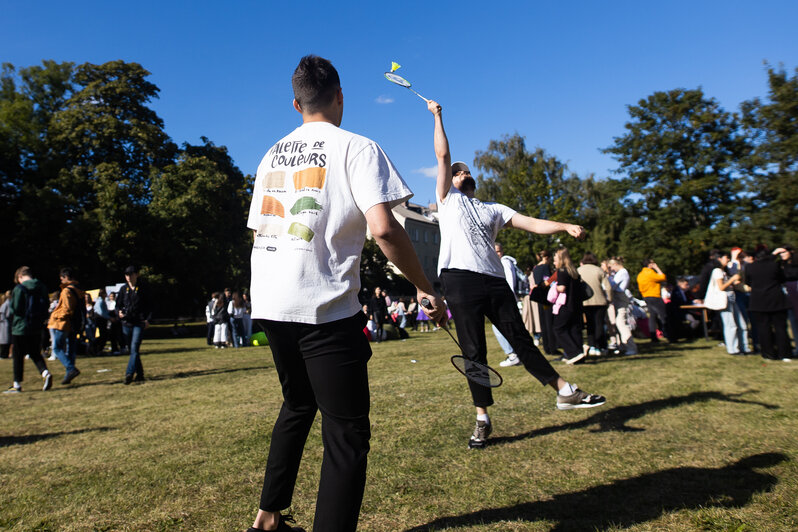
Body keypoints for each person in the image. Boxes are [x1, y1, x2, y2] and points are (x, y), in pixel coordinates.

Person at [245, 55, 446, 532]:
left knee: (297, 404)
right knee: (346, 433)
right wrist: (424, 286)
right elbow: (385, 229)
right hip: (323, 306)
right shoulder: (357, 147)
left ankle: (267, 519)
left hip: (271, 301)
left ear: (296, 103)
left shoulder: (270, 153)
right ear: (339, 96)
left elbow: (259, 231)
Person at [427, 98, 606, 451]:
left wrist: (564, 226)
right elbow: (443, 157)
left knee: (521, 340)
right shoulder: (447, 199)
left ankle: (564, 392)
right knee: (473, 351)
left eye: (464, 171)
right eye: (457, 171)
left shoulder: (494, 209)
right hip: (459, 279)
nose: (460, 173)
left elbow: (532, 224)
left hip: (493, 281)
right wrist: (438, 117)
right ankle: (482, 418)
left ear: (473, 179)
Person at [4, 266, 52, 393]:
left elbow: (15, 308)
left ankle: (17, 384)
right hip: (36, 326)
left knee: (18, 355)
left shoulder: (19, 289)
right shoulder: (41, 287)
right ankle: (45, 372)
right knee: (35, 352)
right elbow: (46, 304)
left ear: (20, 277)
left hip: (20, 326)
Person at [745, 246, 796, 361]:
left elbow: (748, 282)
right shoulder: (774, 265)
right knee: (781, 327)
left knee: (763, 328)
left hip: (759, 300)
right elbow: (782, 278)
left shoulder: (750, 267)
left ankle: (768, 353)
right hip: (776, 299)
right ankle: (785, 353)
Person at [705, 250, 748, 355]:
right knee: (730, 325)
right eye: (726, 257)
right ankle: (733, 349)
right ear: (719, 259)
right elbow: (721, 287)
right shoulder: (717, 271)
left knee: (741, 324)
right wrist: (732, 279)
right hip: (725, 300)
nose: (727, 259)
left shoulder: (723, 271)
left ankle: (744, 347)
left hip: (731, 299)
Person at [47, 267, 83, 385]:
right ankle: (69, 373)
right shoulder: (78, 289)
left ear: (66, 277)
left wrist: (57, 316)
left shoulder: (67, 291)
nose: (61, 280)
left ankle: (70, 368)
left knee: (57, 347)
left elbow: (67, 309)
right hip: (74, 323)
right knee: (71, 348)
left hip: (65, 322)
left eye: (62, 278)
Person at [117, 266, 152, 384]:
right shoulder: (123, 289)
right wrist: (119, 313)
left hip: (139, 322)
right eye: (127, 275)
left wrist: (147, 320)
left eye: (131, 275)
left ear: (137, 275)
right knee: (132, 350)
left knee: (134, 347)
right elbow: (118, 305)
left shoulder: (143, 289)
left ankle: (129, 373)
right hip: (126, 323)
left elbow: (150, 305)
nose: (129, 277)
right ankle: (140, 374)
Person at [492, 243, 523, 367]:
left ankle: (512, 355)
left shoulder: (504, 263)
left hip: (506, 301)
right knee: (511, 328)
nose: (497, 254)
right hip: (507, 301)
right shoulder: (500, 263)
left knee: (499, 327)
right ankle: (517, 354)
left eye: (498, 251)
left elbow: (510, 283)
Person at [578, 252, 610, 356]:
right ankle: (600, 346)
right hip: (600, 300)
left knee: (590, 325)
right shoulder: (599, 270)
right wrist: (609, 298)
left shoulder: (579, 270)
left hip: (585, 301)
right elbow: (608, 287)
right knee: (599, 324)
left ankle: (592, 345)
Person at [608, 257, 638, 355]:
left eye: (611, 267)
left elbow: (612, 285)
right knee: (619, 323)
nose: (611, 269)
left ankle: (631, 347)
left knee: (621, 323)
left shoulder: (622, 273)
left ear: (615, 264)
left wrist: (608, 276)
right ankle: (624, 346)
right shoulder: (621, 273)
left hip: (621, 298)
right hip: (619, 299)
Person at [532, 250, 558, 356]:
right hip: (546, 297)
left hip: (539, 297)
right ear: (547, 258)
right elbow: (548, 281)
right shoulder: (545, 267)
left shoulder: (535, 268)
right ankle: (552, 347)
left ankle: (546, 346)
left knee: (543, 322)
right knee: (549, 322)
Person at [637, 258, 668, 342]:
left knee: (652, 316)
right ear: (650, 265)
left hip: (646, 296)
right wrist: (657, 268)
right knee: (663, 315)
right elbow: (663, 277)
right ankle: (667, 333)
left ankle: (653, 335)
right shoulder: (650, 273)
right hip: (655, 295)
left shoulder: (640, 274)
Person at [93, 289, 110, 355]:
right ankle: (97, 348)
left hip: (102, 319)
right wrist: (109, 318)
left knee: (104, 335)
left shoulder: (101, 301)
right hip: (101, 320)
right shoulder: (100, 301)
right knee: (103, 335)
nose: (106, 295)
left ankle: (98, 349)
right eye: (105, 293)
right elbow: (101, 312)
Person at [0, 290, 11, 359]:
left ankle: (4, 354)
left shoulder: (6, 304)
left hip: (4, 323)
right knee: (5, 340)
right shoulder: (7, 304)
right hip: (5, 323)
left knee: (5, 340)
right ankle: (4, 354)